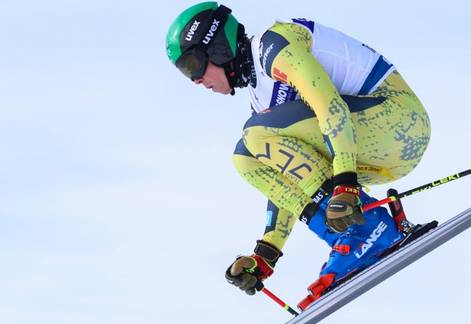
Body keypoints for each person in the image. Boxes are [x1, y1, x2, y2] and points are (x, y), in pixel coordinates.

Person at [165, 3, 433, 308]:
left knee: (255, 135)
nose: (196, 80)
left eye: (193, 65)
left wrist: (345, 182)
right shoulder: (260, 97)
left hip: (400, 120)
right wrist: (267, 252)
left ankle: (369, 227)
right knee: (246, 156)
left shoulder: (273, 45)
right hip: (370, 152)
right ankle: (350, 237)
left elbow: (330, 105)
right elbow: (288, 171)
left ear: (218, 47)